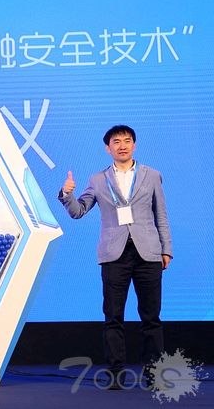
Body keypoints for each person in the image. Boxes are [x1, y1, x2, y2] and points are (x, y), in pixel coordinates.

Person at [58, 125, 172, 390]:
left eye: (127, 140)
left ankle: (154, 373)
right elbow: (78, 211)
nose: (122, 145)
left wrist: (166, 249)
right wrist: (67, 194)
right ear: (107, 148)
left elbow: (161, 215)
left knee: (151, 317)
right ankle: (116, 373)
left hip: (148, 252)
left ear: (134, 145)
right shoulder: (98, 179)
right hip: (114, 254)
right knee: (113, 316)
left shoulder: (152, 175)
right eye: (116, 141)